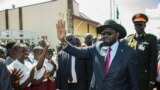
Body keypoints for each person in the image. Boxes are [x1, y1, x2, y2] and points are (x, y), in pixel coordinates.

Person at [56, 19, 140, 90]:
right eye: (103, 34)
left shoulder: (129, 52)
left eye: (109, 33)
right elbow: (78, 52)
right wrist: (63, 40)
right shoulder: (97, 47)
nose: (105, 36)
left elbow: (134, 81)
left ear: (117, 34)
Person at [126, 13, 157, 90]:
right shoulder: (129, 39)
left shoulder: (151, 38)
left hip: (144, 78)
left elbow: (153, 60)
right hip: (129, 77)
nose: (138, 27)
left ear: (145, 25)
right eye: (136, 25)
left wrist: (152, 80)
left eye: (140, 24)